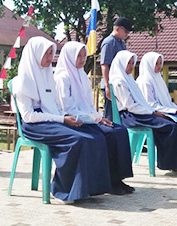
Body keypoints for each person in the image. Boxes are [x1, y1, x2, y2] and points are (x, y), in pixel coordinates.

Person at [11, 36, 112, 203]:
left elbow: (55, 105)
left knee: (92, 137)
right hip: (33, 125)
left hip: (49, 118)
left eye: (52, 53)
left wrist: (64, 117)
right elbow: (29, 116)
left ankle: (87, 189)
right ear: (35, 54)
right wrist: (61, 119)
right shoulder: (22, 81)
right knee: (76, 140)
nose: (50, 58)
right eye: (47, 54)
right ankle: (62, 190)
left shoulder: (47, 75)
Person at [55, 41, 135, 195]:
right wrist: (94, 119)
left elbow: (89, 105)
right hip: (74, 121)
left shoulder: (82, 76)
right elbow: (67, 108)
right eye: (78, 55)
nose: (82, 59)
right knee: (108, 135)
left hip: (89, 119)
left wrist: (99, 117)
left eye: (84, 55)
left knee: (120, 131)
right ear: (69, 56)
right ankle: (108, 182)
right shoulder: (62, 77)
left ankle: (117, 179)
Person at [109, 50, 177, 177]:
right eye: (128, 63)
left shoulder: (128, 79)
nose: (131, 66)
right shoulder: (119, 82)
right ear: (121, 64)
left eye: (132, 63)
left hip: (140, 113)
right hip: (130, 116)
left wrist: (154, 112)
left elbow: (141, 104)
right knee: (170, 127)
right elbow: (130, 106)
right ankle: (173, 164)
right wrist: (154, 113)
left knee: (176, 123)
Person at [100, 17, 133, 119]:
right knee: (111, 115)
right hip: (111, 84)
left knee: (119, 115)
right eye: (126, 31)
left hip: (120, 84)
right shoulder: (109, 42)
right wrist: (107, 85)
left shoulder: (121, 43)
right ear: (117, 28)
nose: (127, 34)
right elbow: (105, 64)